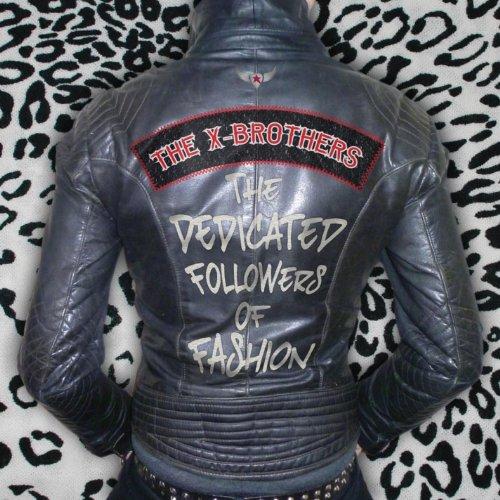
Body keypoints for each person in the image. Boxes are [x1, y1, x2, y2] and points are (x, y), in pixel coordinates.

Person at [17, 0, 484, 498]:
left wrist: (120, 434)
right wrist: (359, 428)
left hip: (166, 472)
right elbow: (449, 358)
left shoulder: (109, 126)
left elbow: (54, 369)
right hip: (321, 476)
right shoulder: (398, 125)